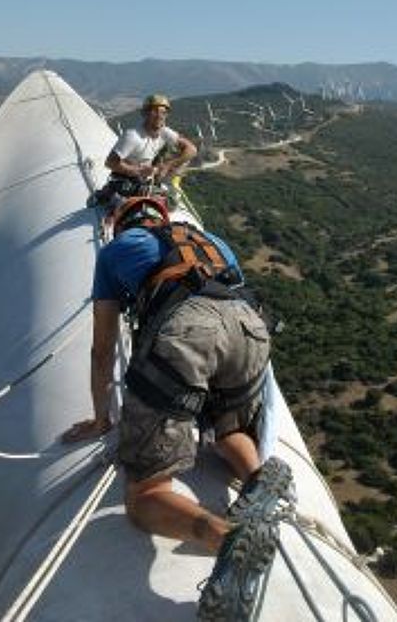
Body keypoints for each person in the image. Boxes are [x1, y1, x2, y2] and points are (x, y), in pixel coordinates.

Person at [62, 195, 294, 620]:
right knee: (226, 427)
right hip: (250, 327)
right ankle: (258, 478)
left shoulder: (116, 250)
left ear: (121, 223)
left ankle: (224, 539)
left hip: (189, 330)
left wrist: (101, 418)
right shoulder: (212, 240)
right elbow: (229, 299)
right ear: (163, 217)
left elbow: (102, 349)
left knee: (144, 496)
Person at [105, 93, 197, 185]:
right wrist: (138, 171)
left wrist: (168, 165)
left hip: (145, 181)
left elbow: (191, 149)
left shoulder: (164, 132)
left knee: (181, 162)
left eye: (163, 112)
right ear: (145, 114)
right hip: (125, 182)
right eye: (154, 111)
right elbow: (110, 162)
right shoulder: (133, 136)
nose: (159, 116)